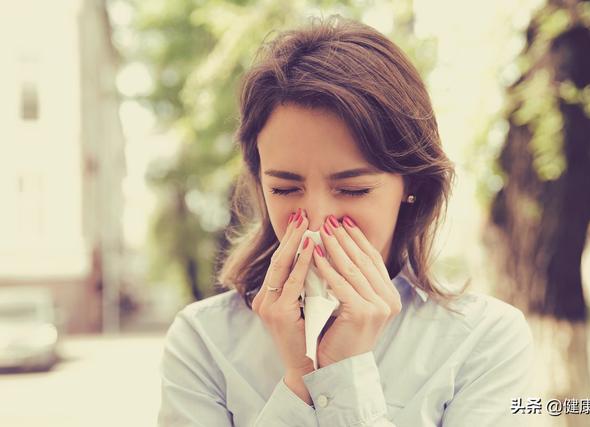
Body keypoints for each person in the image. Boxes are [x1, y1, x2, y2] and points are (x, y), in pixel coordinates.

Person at [157, 14, 534, 427]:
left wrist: (345, 377)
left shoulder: (484, 339)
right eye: (284, 189)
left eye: (352, 190)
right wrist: (301, 377)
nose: (316, 222)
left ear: (412, 187)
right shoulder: (204, 340)